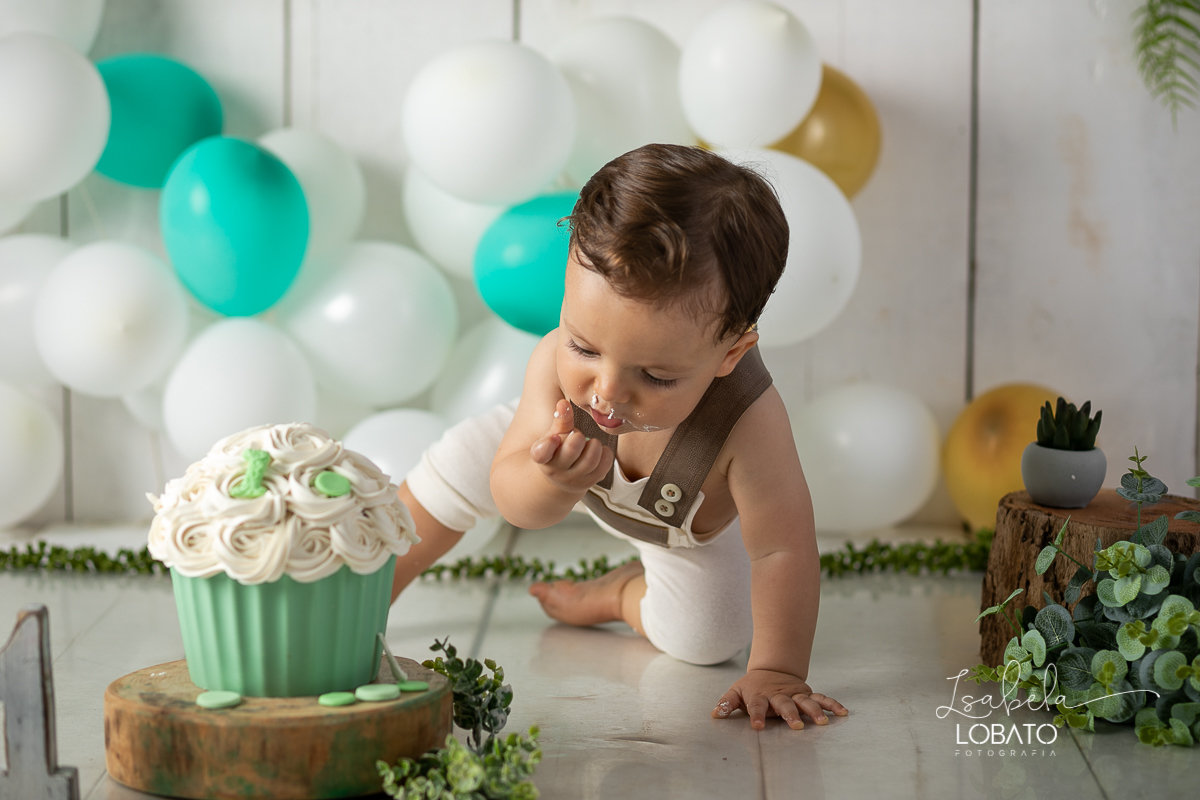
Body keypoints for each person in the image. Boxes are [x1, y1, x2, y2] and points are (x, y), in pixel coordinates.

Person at [393, 143, 848, 731]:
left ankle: (622, 597)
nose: (605, 391)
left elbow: (782, 550)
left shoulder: (749, 425)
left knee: (707, 637)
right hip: (549, 458)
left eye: (657, 376)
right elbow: (515, 504)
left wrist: (778, 669)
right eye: (583, 346)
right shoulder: (558, 371)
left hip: (678, 529)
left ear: (730, 352)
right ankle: (366, 589)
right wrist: (549, 480)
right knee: (453, 468)